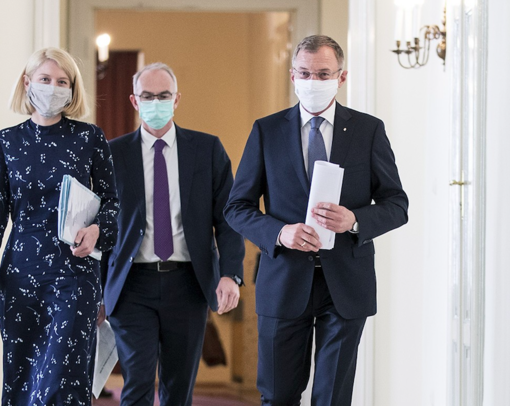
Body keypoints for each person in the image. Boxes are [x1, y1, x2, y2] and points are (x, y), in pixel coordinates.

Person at [224, 35, 409, 406]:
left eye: (323, 73)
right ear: (293, 75)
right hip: (283, 282)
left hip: (346, 286)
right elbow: (237, 207)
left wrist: (354, 219)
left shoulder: (368, 130)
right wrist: (280, 232)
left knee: (331, 398)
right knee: (277, 396)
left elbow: (397, 203)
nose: (313, 81)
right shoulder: (267, 130)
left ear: (341, 78)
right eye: (305, 73)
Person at [0, 47, 119, 406]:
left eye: (62, 81)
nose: (53, 87)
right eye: (46, 79)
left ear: (72, 89)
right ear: (27, 83)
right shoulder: (6, 143)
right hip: (20, 278)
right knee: (22, 381)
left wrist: (98, 230)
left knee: (61, 382)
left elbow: (114, 203)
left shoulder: (90, 138)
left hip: (75, 275)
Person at [102, 62, 245, 406]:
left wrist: (230, 274)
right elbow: (100, 224)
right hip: (132, 284)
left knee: (178, 386)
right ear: (134, 101)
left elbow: (228, 218)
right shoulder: (112, 154)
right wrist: (96, 287)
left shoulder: (207, 150)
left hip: (188, 283)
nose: (156, 102)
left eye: (163, 95)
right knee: (136, 380)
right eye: (147, 96)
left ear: (177, 99)